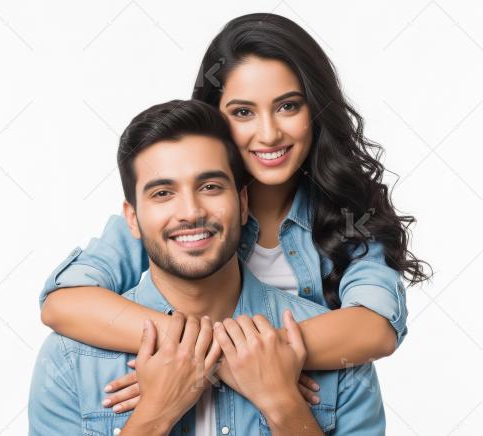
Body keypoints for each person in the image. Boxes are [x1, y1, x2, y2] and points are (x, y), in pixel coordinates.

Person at [38, 13, 431, 412]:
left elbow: (375, 328)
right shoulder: (181, 218)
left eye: (288, 107)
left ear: (315, 110)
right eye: (243, 112)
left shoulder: (350, 217)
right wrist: (191, 357)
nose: (268, 133)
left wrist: (225, 361)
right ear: (215, 117)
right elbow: (64, 303)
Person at [29, 99, 385, 435]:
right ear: (132, 219)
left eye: (210, 186)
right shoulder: (70, 359)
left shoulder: (339, 357)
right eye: (162, 193)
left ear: (243, 202)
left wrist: (283, 405)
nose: (191, 212)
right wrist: (154, 416)